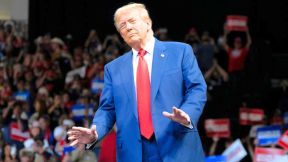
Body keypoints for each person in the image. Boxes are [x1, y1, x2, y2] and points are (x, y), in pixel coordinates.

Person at [68, 3, 207, 162]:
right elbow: (107, 109)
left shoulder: (180, 52)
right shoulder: (113, 69)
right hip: (133, 152)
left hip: (178, 144)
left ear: (148, 23)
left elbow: (197, 88)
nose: (127, 27)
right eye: (122, 25)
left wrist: (187, 114)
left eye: (132, 21)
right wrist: (96, 133)